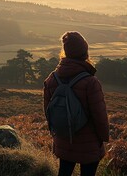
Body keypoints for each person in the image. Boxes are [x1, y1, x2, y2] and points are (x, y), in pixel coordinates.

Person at [43, 31, 109, 176]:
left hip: (63, 139)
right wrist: (104, 138)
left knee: (64, 172)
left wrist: (56, 134)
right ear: (85, 52)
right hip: (89, 143)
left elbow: (48, 111)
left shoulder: (52, 79)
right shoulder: (90, 82)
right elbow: (100, 116)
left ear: (65, 52)